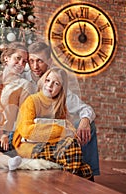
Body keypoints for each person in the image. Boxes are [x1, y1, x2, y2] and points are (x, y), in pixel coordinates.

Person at [22, 41, 99, 179]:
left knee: (87, 126)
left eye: (40, 61)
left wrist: (85, 121)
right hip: (27, 129)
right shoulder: (22, 78)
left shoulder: (57, 82)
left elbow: (85, 108)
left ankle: (86, 174)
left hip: (50, 130)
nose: (34, 66)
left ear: (49, 61)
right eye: (31, 61)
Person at [12, 68, 92, 178]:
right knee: (71, 148)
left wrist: (71, 133)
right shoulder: (31, 101)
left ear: (61, 89)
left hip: (51, 143)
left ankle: (67, 183)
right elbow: (27, 131)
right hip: (28, 146)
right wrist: (60, 130)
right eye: (48, 80)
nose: (50, 85)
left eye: (56, 83)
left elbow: (68, 126)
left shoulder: (59, 105)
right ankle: (69, 186)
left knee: (86, 170)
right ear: (43, 81)